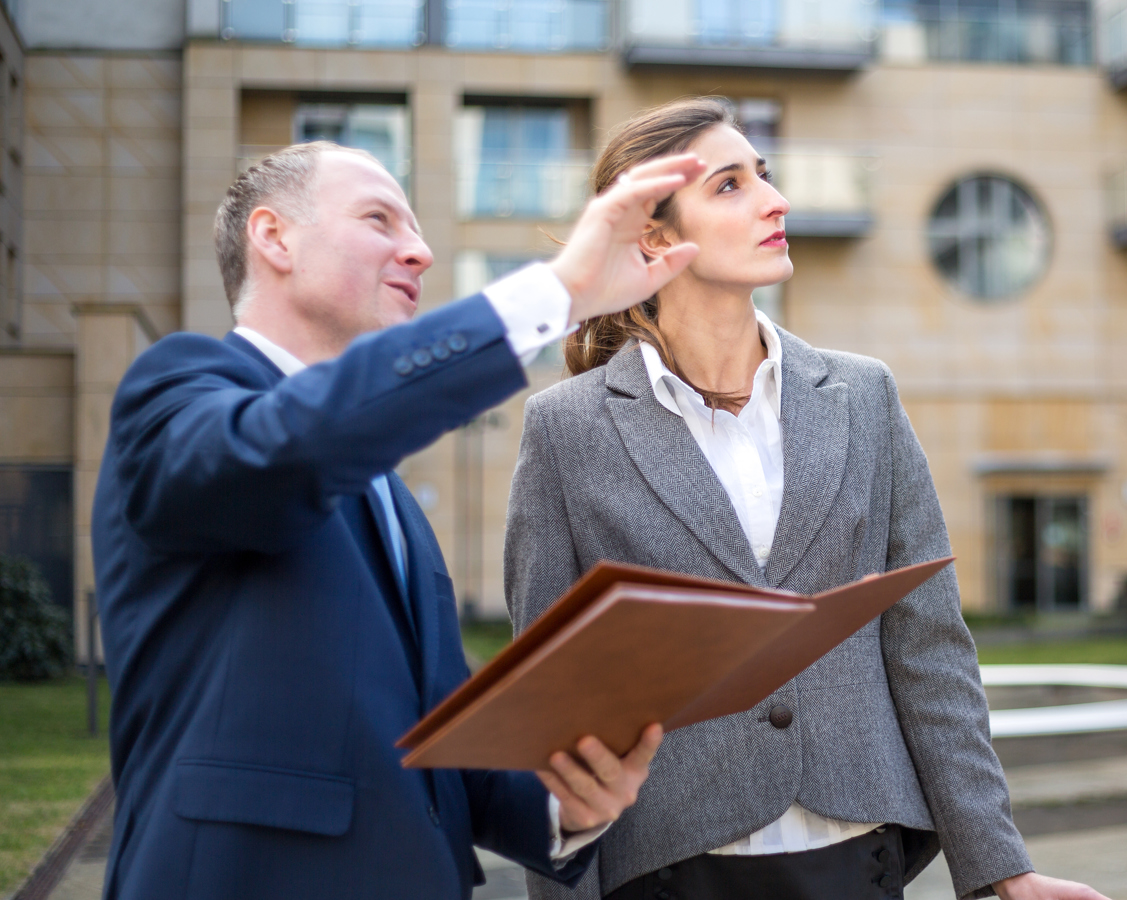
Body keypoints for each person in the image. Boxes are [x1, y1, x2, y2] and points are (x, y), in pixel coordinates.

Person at [504, 99, 1114, 900]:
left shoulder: (864, 395)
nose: (773, 200)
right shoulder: (566, 430)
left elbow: (930, 650)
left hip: (854, 857)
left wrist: (1001, 867)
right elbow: (555, 709)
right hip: (667, 869)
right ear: (652, 236)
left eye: (765, 175)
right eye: (729, 186)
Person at [91, 139, 707, 900]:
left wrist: (563, 804)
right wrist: (555, 295)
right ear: (273, 236)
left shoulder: (390, 497)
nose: (419, 252)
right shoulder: (176, 386)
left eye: (417, 231)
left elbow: (432, 744)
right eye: (380, 220)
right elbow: (284, 451)